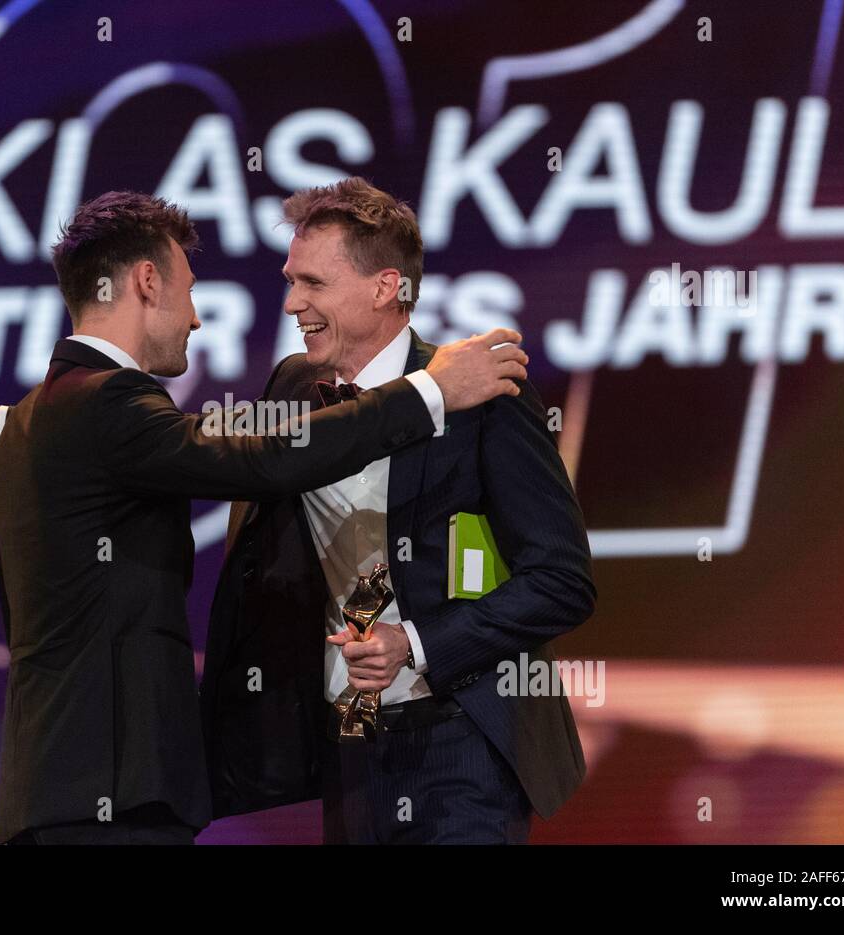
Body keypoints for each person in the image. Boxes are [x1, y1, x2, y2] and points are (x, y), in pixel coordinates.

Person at [0, 190, 529, 844]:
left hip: (56, 792)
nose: (194, 318)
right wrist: (431, 391)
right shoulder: (110, 404)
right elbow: (263, 455)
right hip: (113, 794)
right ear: (146, 280)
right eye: (188, 291)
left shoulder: (39, 420)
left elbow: (137, 444)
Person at [201, 178, 596, 843]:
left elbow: (562, 582)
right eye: (292, 281)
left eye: (314, 284)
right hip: (347, 742)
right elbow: (197, 452)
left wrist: (413, 644)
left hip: (461, 737)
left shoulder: (484, 393)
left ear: (386, 287)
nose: (294, 302)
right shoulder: (293, 388)